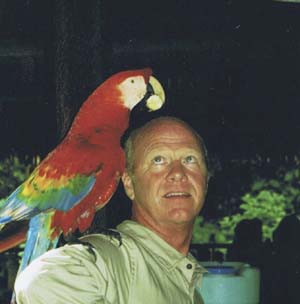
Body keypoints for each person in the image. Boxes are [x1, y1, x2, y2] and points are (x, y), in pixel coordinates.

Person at [14, 116, 210, 304]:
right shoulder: (114, 260)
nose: (177, 173)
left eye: (190, 159)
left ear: (206, 180)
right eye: (158, 160)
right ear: (129, 184)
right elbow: (40, 283)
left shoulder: (189, 280)